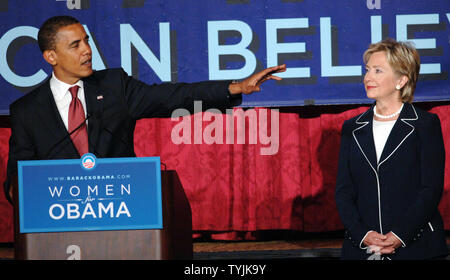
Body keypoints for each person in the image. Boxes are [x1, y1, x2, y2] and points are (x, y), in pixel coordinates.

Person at [4, 15, 286, 203]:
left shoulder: (114, 86)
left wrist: (237, 87)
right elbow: (16, 180)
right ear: (51, 56)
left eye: (87, 41)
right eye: (75, 45)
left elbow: (173, 96)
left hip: (121, 210)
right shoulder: (27, 111)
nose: (87, 51)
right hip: (58, 220)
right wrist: (24, 194)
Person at [335, 38, 448, 260]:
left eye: (378, 71)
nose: (368, 77)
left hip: (415, 248)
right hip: (362, 249)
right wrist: (364, 234)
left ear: (401, 80)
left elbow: (430, 189)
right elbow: (344, 191)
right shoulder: (352, 128)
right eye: (367, 70)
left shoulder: (425, 124)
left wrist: (399, 235)